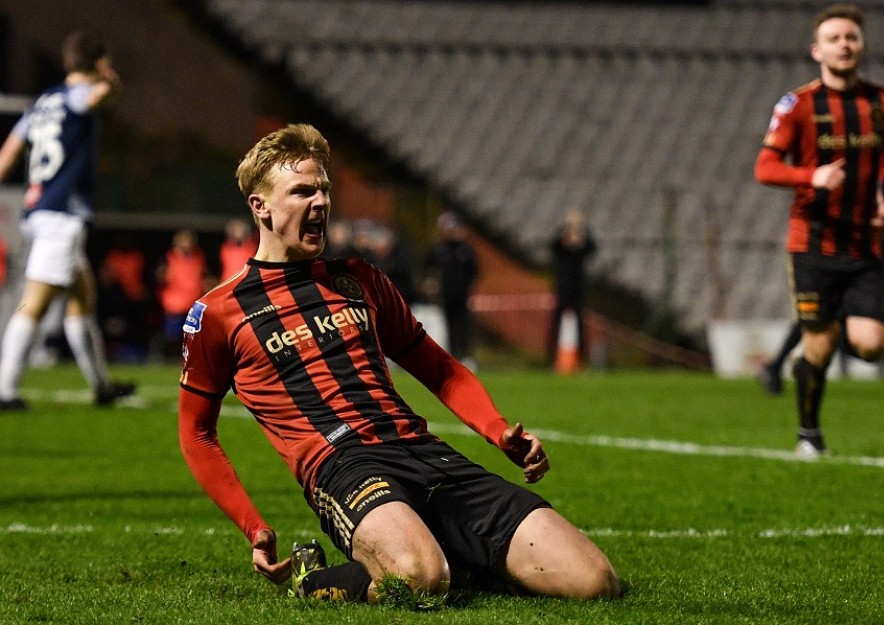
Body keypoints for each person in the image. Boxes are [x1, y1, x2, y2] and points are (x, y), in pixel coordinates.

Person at [177, 123, 620, 606]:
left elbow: (439, 369)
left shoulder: (359, 279)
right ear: (259, 206)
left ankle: (452, 553)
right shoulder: (218, 313)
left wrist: (497, 430)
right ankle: (314, 579)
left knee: (594, 582)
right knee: (420, 580)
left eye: (324, 189)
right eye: (302, 191)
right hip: (344, 468)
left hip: (424, 452)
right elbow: (197, 433)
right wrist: (254, 525)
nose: (320, 202)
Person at [754, 4, 884, 456]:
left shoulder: (883, 103)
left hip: (864, 243)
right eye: (836, 37)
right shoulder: (798, 105)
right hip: (812, 243)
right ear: (817, 49)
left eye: (852, 37)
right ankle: (809, 435)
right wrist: (811, 176)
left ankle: (831, 329)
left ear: (862, 46)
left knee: (873, 344)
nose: (845, 44)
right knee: (818, 347)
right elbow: (765, 167)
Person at [0, 30, 134, 410]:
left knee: (82, 298)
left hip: (39, 208)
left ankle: (102, 386)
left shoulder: (43, 102)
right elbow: (100, 97)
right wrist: (110, 80)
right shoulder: (79, 97)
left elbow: (9, 150)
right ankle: (5, 389)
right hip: (61, 214)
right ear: (97, 63)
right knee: (34, 303)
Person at [759, 234, 884, 397]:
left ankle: (776, 367)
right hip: (843, 258)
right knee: (819, 317)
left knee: (818, 316)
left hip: (847, 255)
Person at [424, 212, 479, 368]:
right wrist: (430, 283)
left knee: (464, 327)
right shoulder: (439, 250)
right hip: (444, 296)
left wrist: (467, 286)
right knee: (446, 327)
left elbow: (474, 271)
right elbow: (427, 269)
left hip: (462, 296)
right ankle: (452, 357)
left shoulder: (466, 250)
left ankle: (466, 357)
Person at [547, 208, 596, 368]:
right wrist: (567, 227)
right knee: (556, 324)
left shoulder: (581, 250)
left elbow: (591, 247)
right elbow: (553, 245)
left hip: (578, 289)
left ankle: (581, 359)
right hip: (562, 289)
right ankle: (552, 359)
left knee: (580, 325)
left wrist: (581, 227)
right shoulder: (562, 250)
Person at [156, 229, 207, 362]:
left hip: (193, 303)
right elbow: (160, 276)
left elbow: (203, 277)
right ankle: (169, 359)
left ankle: (188, 358)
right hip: (174, 303)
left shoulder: (198, 257)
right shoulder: (168, 258)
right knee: (172, 334)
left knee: (192, 334)